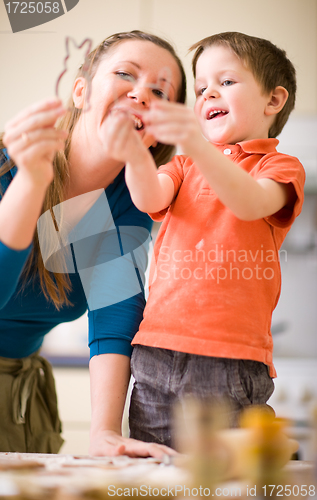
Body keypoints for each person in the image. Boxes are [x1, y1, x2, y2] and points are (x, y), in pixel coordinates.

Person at [104, 31, 306, 448]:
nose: (209, 92)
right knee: (151, 477)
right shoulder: (183, 165)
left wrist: (196, 143)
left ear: (273, 101)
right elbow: (148, 197)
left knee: (221, 483)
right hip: (156, 351)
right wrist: (135, 154)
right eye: (200, 88)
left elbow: (250, 202)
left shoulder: (280, 167)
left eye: (226, 82)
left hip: (229, 359)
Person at [0, 30, 186, 455]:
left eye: (160, 91)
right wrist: (31, 183)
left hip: (19, 394)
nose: (142, 93)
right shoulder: (8, 164)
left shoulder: (125, 204)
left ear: (157, 131)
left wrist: (104, 432)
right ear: (81, 91)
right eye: (125, 74)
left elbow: (113, 320)